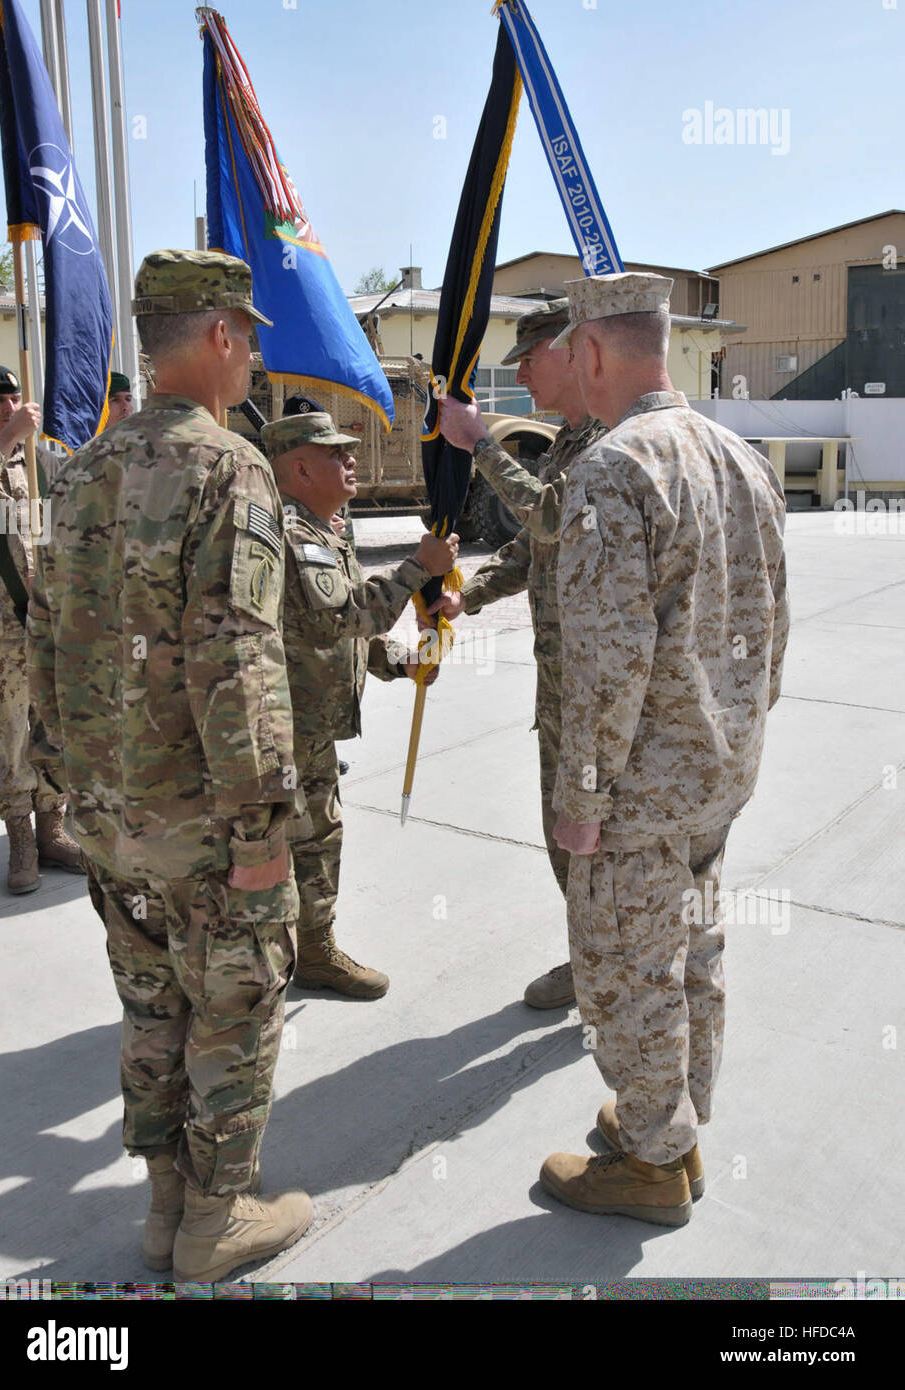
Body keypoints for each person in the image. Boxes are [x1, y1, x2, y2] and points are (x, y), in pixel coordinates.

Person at [27, 249, 315, 1282]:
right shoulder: (227, 465)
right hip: (203, 820)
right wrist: (261, 832)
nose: (247, 363)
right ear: (220, 336)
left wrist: (67, 787)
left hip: (112, 819)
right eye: (246, 340)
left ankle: (161, 1208)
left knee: (152, 1006)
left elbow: (49, 645)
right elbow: (238, 659)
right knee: (234, 1011)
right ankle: (211, 1225)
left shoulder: (85, 469)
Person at [537, 271, 789, 1226]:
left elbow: (607, 663)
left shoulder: (615, 468)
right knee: (693, 951)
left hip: (639, 788)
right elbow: (773, 631)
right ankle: (678, 1118)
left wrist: (582, 803)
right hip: (718, 777)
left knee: (628, 972)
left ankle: (649, 1164)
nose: (566, 366)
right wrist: (740, 738)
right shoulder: (740, 457)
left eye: (568, 351)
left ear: (594, 352)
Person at [434, 301, 604, 1009]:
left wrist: (480, 445)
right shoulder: (569, 440)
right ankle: (593, 957)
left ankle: (621, 971)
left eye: (530, 359)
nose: (522, 374)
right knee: (564, 832)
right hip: (563, 683)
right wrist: (465, 597)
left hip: (604, 690)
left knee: (606, 840)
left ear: (571, 353)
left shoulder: (612, 440)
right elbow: (538, 548)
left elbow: (552, 517)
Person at [261, 398, 458, 998]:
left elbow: (336, 633)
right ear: (298, 471)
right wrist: (416, 569)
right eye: (335, 454)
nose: (351, 460)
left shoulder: (324, 529)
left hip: (307, 723)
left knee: (308, 838)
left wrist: (399, 664)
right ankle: (310, 954)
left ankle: (296, 947)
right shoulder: (295, 534)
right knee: (307, 842)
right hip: (284, 726)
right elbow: (351, 613)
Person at [0, 363, 81, 891]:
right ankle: (20, 839)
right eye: (0, 402)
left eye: (18, 399)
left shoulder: (41, 459)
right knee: (10, 737)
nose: (13, 409)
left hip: (45, 623)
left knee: (51, 730)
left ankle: (52, 829)